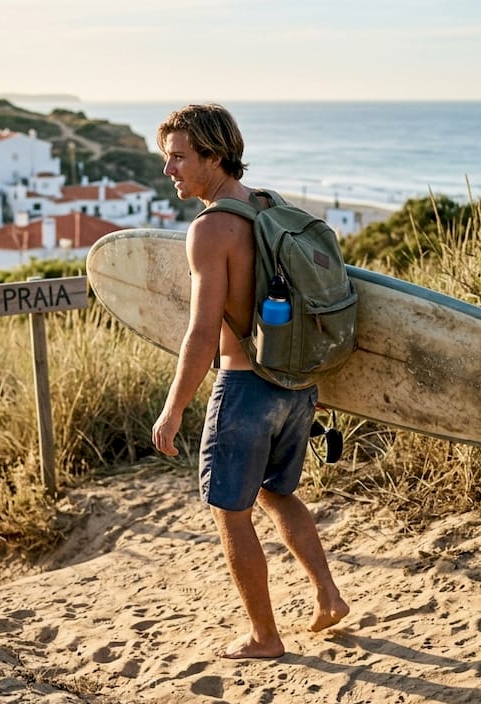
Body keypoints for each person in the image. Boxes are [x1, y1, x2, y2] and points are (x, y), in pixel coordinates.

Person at [151, 104, 349, 659]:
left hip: (244, 388)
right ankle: (328, 598)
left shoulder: (211, 229)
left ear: (214, 156)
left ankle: (265, 637)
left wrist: (173, 410)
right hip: (295, 385)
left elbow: (200, 334)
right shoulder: (268, 205)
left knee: (231, 514)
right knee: (278, 493)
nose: (170, 171)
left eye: (179, 158)